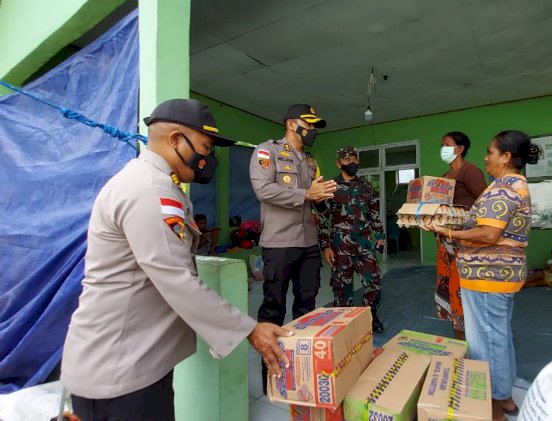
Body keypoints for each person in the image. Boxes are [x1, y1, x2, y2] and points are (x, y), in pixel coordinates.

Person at [61, 99, 292, 421]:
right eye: (205, 147)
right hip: (119, 370)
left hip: (136, 360)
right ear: (174, 140)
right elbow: (174, 277)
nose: (208, 159)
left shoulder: (153, 184)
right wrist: (250, 329)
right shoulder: (149, 190)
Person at [426, 130, 539, 421]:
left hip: (489, 276)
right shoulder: (514, 185)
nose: (486, 158)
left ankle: (491, 407)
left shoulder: (504, 187)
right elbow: (484, 220)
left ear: (506, 156)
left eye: (490, 152)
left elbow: (489, 232)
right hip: (496, 274)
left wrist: (448, 231)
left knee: (485, 342)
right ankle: (505, 398)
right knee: (499, 337)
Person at [249, 103, 337, 391]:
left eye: (314, 126)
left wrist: (323, 198)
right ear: (290, 124)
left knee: (307, 309)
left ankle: (300, 374)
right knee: (273, 310)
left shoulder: (311, 162)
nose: (312, 130)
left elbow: (315, 199)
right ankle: (270, 380)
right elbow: (263, 190)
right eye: (308, 124)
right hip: (279, 243)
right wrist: (305, 193)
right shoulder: (267, 151)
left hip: (308, 243)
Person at [319, 146, 386, 332]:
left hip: (364, 244)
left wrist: (380, 236)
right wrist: (325, 246)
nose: (352, 162)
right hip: (340, 246)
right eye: (347, 159)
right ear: (338, 162)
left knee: (374, 282)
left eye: (355, 159)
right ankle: (344, 322)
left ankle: (370, 317)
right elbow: (323, 219)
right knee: (342, 286)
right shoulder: (330, 187)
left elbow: (374, 214)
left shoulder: (366, 186)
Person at [435, 131, 487, 340]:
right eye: (441, 144)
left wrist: (465, 222)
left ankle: (469, 340)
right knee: (448, 286)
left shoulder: (470, 172)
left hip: (463, 241)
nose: (442, 149)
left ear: (459, 149)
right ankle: (458, 336)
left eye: (446, 144)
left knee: (461, 289)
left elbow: (485, 204)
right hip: (445, 240)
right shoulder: (446, 177)